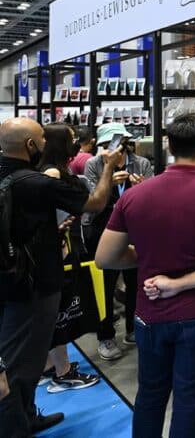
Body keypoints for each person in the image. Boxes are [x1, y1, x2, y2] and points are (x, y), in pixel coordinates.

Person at [95, 113, 195, 438]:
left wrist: (147, 257)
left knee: (150, 396)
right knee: (189, 399)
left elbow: (105, 258)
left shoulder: (135, 196)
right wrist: (181, 283)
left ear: (169, 146)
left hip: (150, 313)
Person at [0, 117, 120, 437]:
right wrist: (109, 167)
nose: (44, 143)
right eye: (41, 138)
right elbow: (95, 203)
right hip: (35, 283)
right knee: (23, 359)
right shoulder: (36, 182)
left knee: (22, 355)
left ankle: (25, 416)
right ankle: (16, 426)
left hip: (13, 276)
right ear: (30, 145)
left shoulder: (8, 177)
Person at [37, 124, 101, 394]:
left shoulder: (48, 171)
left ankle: (48, 366)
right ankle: (62, 373)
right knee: (59, 314)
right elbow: (86, 205)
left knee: (53, 313)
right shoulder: (52, 173)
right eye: (71, 139)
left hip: (57, 248)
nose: (76, 143)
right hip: (58, 251)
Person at [84, 123, 154, 359]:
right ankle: (105, 336)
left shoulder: (140, 163)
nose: (114, 149)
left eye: (118, 143)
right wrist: (109, 182)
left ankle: (134, 328)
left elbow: (152, 196)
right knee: (105, 283)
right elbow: (93, 200)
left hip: (135, 227)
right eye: (108, 144)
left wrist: (141, 188)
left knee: (136, 281)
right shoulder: (94, 164)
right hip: (103, 227)